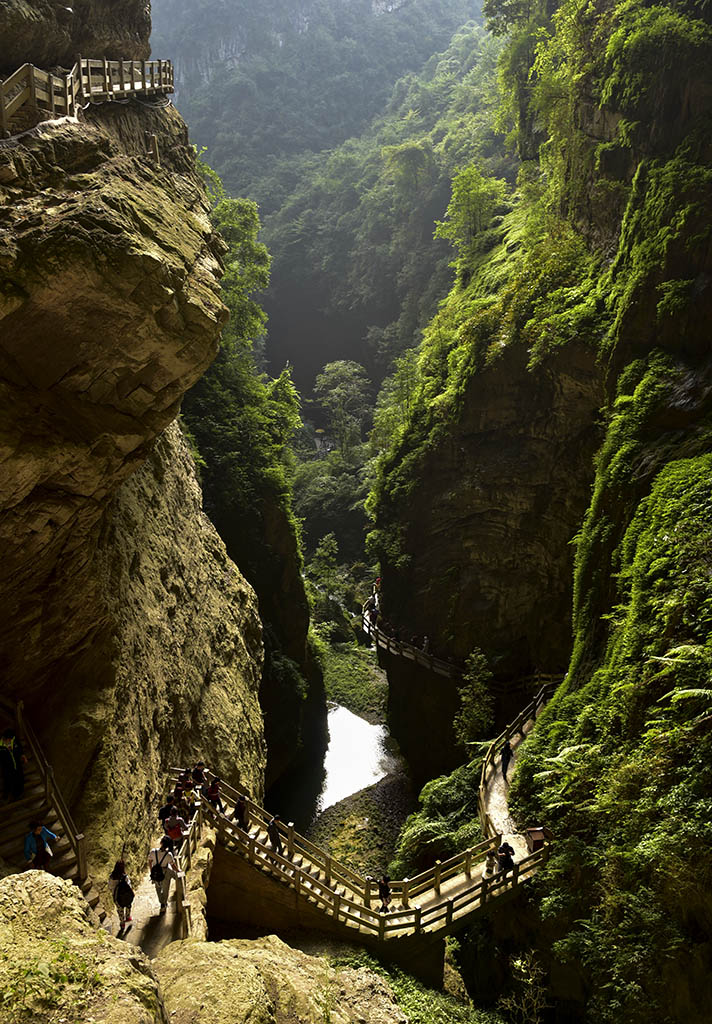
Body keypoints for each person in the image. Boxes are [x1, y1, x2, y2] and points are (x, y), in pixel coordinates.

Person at [148, 837, 177, 913]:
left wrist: (151, 871)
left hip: (156, 873)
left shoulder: (153, 852)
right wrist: (179, 871)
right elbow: (173, 866)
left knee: (158, 889)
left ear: (161, 842)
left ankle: (162, 903)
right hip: (165, 873)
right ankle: (164, 904)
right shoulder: (169, 855)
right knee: (165, 889)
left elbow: (150, 862)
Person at [1, 727, 26, 802]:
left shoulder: (14, 739)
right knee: (8, 781)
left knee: (20, 779)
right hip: (7, 767)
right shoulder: (1, 746)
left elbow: (19, 747)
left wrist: (22, 755)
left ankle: (18, 794)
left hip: (17, 764)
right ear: (4, 738)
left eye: (11, 739)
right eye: (9, 740)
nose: (11, 741)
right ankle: (6, 797)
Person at [108, 859, 134, 931]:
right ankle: (128, 917)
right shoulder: (125, 876)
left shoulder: (112, 877)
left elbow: (110, 886)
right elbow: (129, 885)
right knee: (128, 905)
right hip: (126, 894)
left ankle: (122, 923)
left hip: (116, 896)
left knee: (120, 910)